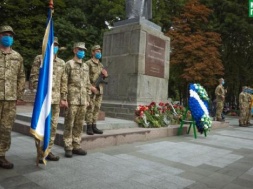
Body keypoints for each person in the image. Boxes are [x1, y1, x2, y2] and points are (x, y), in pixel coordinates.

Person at [30, 37, 68, 162]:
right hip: (43, 100)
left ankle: (48, 150)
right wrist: (39, 92)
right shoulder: (40, 59)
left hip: (56, 100)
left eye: (56, 45)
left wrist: (64, 97)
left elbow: (64, 81)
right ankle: (39, 151)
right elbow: (34, 78)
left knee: (52, 126)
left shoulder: (62, 63)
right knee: (42, 125)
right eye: (52, 44)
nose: (54, 47)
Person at [0, 25, 26, 169]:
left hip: (10, 99)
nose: (7, 37)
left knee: (6, 128)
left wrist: (18, 93)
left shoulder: (17, 57)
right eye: (5, 34)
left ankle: (1, 155)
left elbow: (21, 76)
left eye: (10, 35)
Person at [63, 42, 91, 158]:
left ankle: (76, 145)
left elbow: (88, 83)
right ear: (74, 50)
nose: (82, 52)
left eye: (83, 50)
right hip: (72, 99)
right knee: (69, 123)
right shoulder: (68, 64)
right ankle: (68, 147)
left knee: (79, 124)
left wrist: (88, 98)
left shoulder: (85, 66)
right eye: (80, 49)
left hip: (83, 100)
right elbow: (64, 81)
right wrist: (64, 98)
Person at [85, 45, 108, 135]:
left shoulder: (101, 65)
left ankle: (94, 126)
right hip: (91, 89)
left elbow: (102, 78)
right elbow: (85, 77)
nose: (99, 53)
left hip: (99, 90)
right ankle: (89, 127)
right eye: (97, 51)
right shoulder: (88, 63)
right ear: (93, 52)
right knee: (90, 108)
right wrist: (90, 87)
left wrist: (105, 75)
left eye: (100, 52)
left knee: (97, 108)